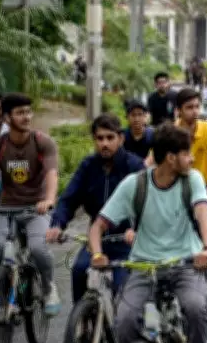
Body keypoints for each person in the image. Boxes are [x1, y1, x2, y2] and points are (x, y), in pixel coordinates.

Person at [88, 124, 207, 343]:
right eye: (186, 153)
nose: (192, 159)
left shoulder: (191, 179)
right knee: (125, 320)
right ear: (171, 158)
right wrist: (98, 254)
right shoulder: (135, 184)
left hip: (186, 263)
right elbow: (98, 225)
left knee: (195, 308)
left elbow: (203, 214)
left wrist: (206, 248)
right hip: (144, 266)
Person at [47, 114, 143, 302]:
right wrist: (57, 224)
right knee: (79, 271)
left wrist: (138, 230)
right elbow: (69, 198)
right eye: (99, 138)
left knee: (122, 291)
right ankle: (82, 318)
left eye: (110, 137)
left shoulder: (134, 166)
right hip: (96, 238)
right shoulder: (88, 166)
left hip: (126, 240)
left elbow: (147, 203)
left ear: (121, 138)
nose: (104, 143)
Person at [0, 93, 61, 315]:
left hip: (36, 207)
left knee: (38, 247)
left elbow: (52, 173)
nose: (27, 117)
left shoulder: (42, 142)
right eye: (20, 113)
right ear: (7, 117)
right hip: (5, 208)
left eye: (28, 112)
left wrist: (49, 199)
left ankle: (48, 287)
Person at [174, 88, 207, 201]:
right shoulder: (171, 131)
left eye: (197, 106)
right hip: (178, 184)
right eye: (189, 107)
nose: (195, 111)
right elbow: (155, 159)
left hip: (206, 185)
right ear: (178, 110)